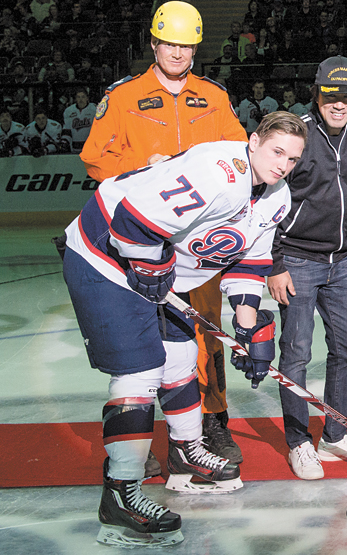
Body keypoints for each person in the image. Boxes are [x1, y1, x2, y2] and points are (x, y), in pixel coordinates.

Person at [62, 111, 305, 547]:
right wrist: (150, 267)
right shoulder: (217, 173)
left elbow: (247, 265)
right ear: (254, 142)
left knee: (180, 356)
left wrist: (248, 331)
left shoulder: (277, 195)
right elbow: (131, 224)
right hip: (107, 259)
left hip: (159, 268)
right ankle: (121, 493)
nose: (283, 164)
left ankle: (185, 449)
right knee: (140, 370)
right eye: (277, 152)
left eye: (292, 158)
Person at [77, 1, 250, 469]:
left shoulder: (213, 97)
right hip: (140, 239)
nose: (177, 52)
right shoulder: (124, 96)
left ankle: (212, 425)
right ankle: (142, 439)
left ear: (196, 48)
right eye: (169, 42)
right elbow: (95, 159)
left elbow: (239, 153)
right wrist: (142, 173)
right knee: (144, 342)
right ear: (153, 44)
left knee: (205, 336)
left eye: (186, 45)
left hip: (199, 241)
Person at [266, 57, 347, 480]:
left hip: (342, 262)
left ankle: (335, 435)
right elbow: (269, 202)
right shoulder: (295, 135)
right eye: (331, 96)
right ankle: (299, 442)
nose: (340, 104)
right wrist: (275, 262)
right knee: (296, 354)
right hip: (297, 260)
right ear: (316, 94)